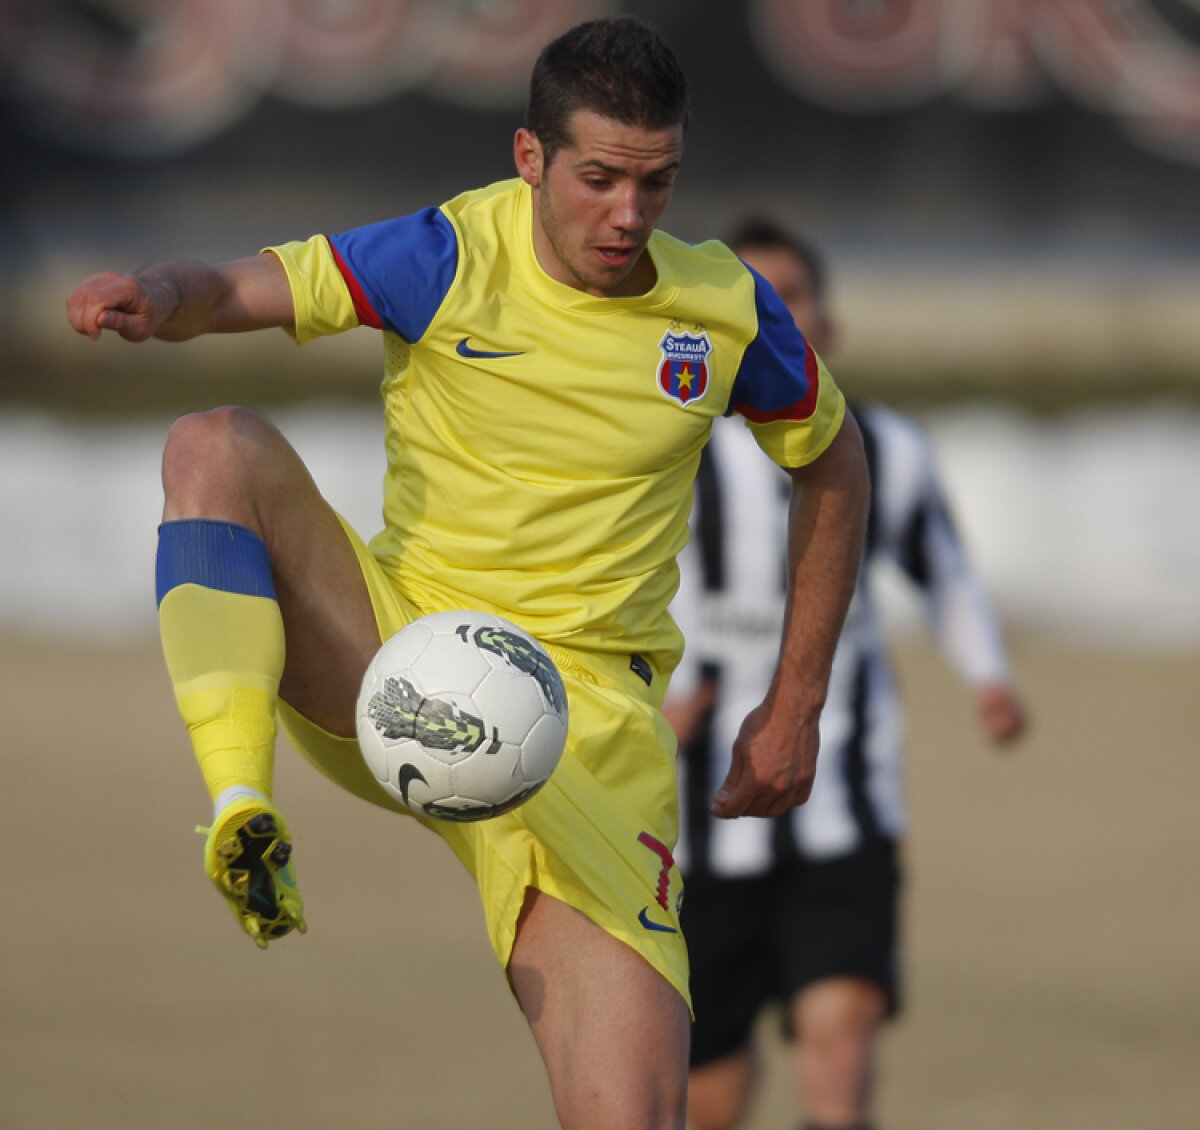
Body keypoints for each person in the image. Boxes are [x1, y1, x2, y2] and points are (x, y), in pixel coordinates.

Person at [64, 19, 871, 1130]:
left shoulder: (723, 306)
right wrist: (158, 293)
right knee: (213, 446)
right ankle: (241, 805)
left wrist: (796, 703)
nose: (629, 214)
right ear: (530, 157)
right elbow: (232, 287)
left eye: (657, 182)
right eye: (599, 179)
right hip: (396, 653)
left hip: (586, 727)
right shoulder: (446, 254)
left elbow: (833, 458)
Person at [665, 217, 1028, 1130]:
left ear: (829, 320)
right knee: (710, 1092)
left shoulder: (886, 449)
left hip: (847, 804)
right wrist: (646, 701)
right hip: (696, 818)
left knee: (842, 1040)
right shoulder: (665, 452)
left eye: (791, 295)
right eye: (750, 297)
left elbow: (945, 572)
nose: (772, 314)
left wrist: (988, 677)